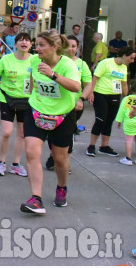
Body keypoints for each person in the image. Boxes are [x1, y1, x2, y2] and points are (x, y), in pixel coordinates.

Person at [20, 30, 80, 214]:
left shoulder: (67, 64)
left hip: (62, 116)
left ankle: (62, 187)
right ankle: (36, 198)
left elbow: (76, 86)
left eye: (41, 45)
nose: (36, 48)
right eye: (36, 44)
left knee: (60, 159)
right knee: (31, 152)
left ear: (54, 47)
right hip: (36, 111)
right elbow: (32, 81)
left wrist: (53, 75)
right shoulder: (34, 60)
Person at [44, 35, 92, 170]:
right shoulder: (54, 61)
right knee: (51, 131)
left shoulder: (82, 64)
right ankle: (54, 155)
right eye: (68, 46)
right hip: (52, 103)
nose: (70, 49)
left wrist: (82, 99)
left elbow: (88, 84)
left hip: (74, 105)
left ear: (78, 49)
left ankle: (65, 162)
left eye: (74, 46)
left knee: (68, 133)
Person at [0, 33, 34, 177]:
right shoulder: (6, 59)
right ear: (15, 44)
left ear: (31, 45)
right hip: (7, 98)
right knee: (7, 132)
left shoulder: (36, 60)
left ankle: (15, 164)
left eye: (27, 40)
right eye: (20, 40)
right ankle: (1, 162)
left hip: (27, 100)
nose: (24, 42)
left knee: (21, 134)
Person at [85, 46, 136, 157]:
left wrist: (127, 98)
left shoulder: (124, 67)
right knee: (100, 119)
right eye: (131, 58)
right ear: (124, 56)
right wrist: (90, 93)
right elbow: (95, 78)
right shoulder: (106, 63)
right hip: (101, 94)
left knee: (109, 121)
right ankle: (91, 146)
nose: (132, 61)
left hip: (115, 95)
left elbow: (124, 84)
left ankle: (104, 146)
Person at [115, 80, 136, 165]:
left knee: (129, 140)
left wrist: (119, 121)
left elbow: (121, 111)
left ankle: (128, 158)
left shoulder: (126, 99)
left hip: (129, 122)